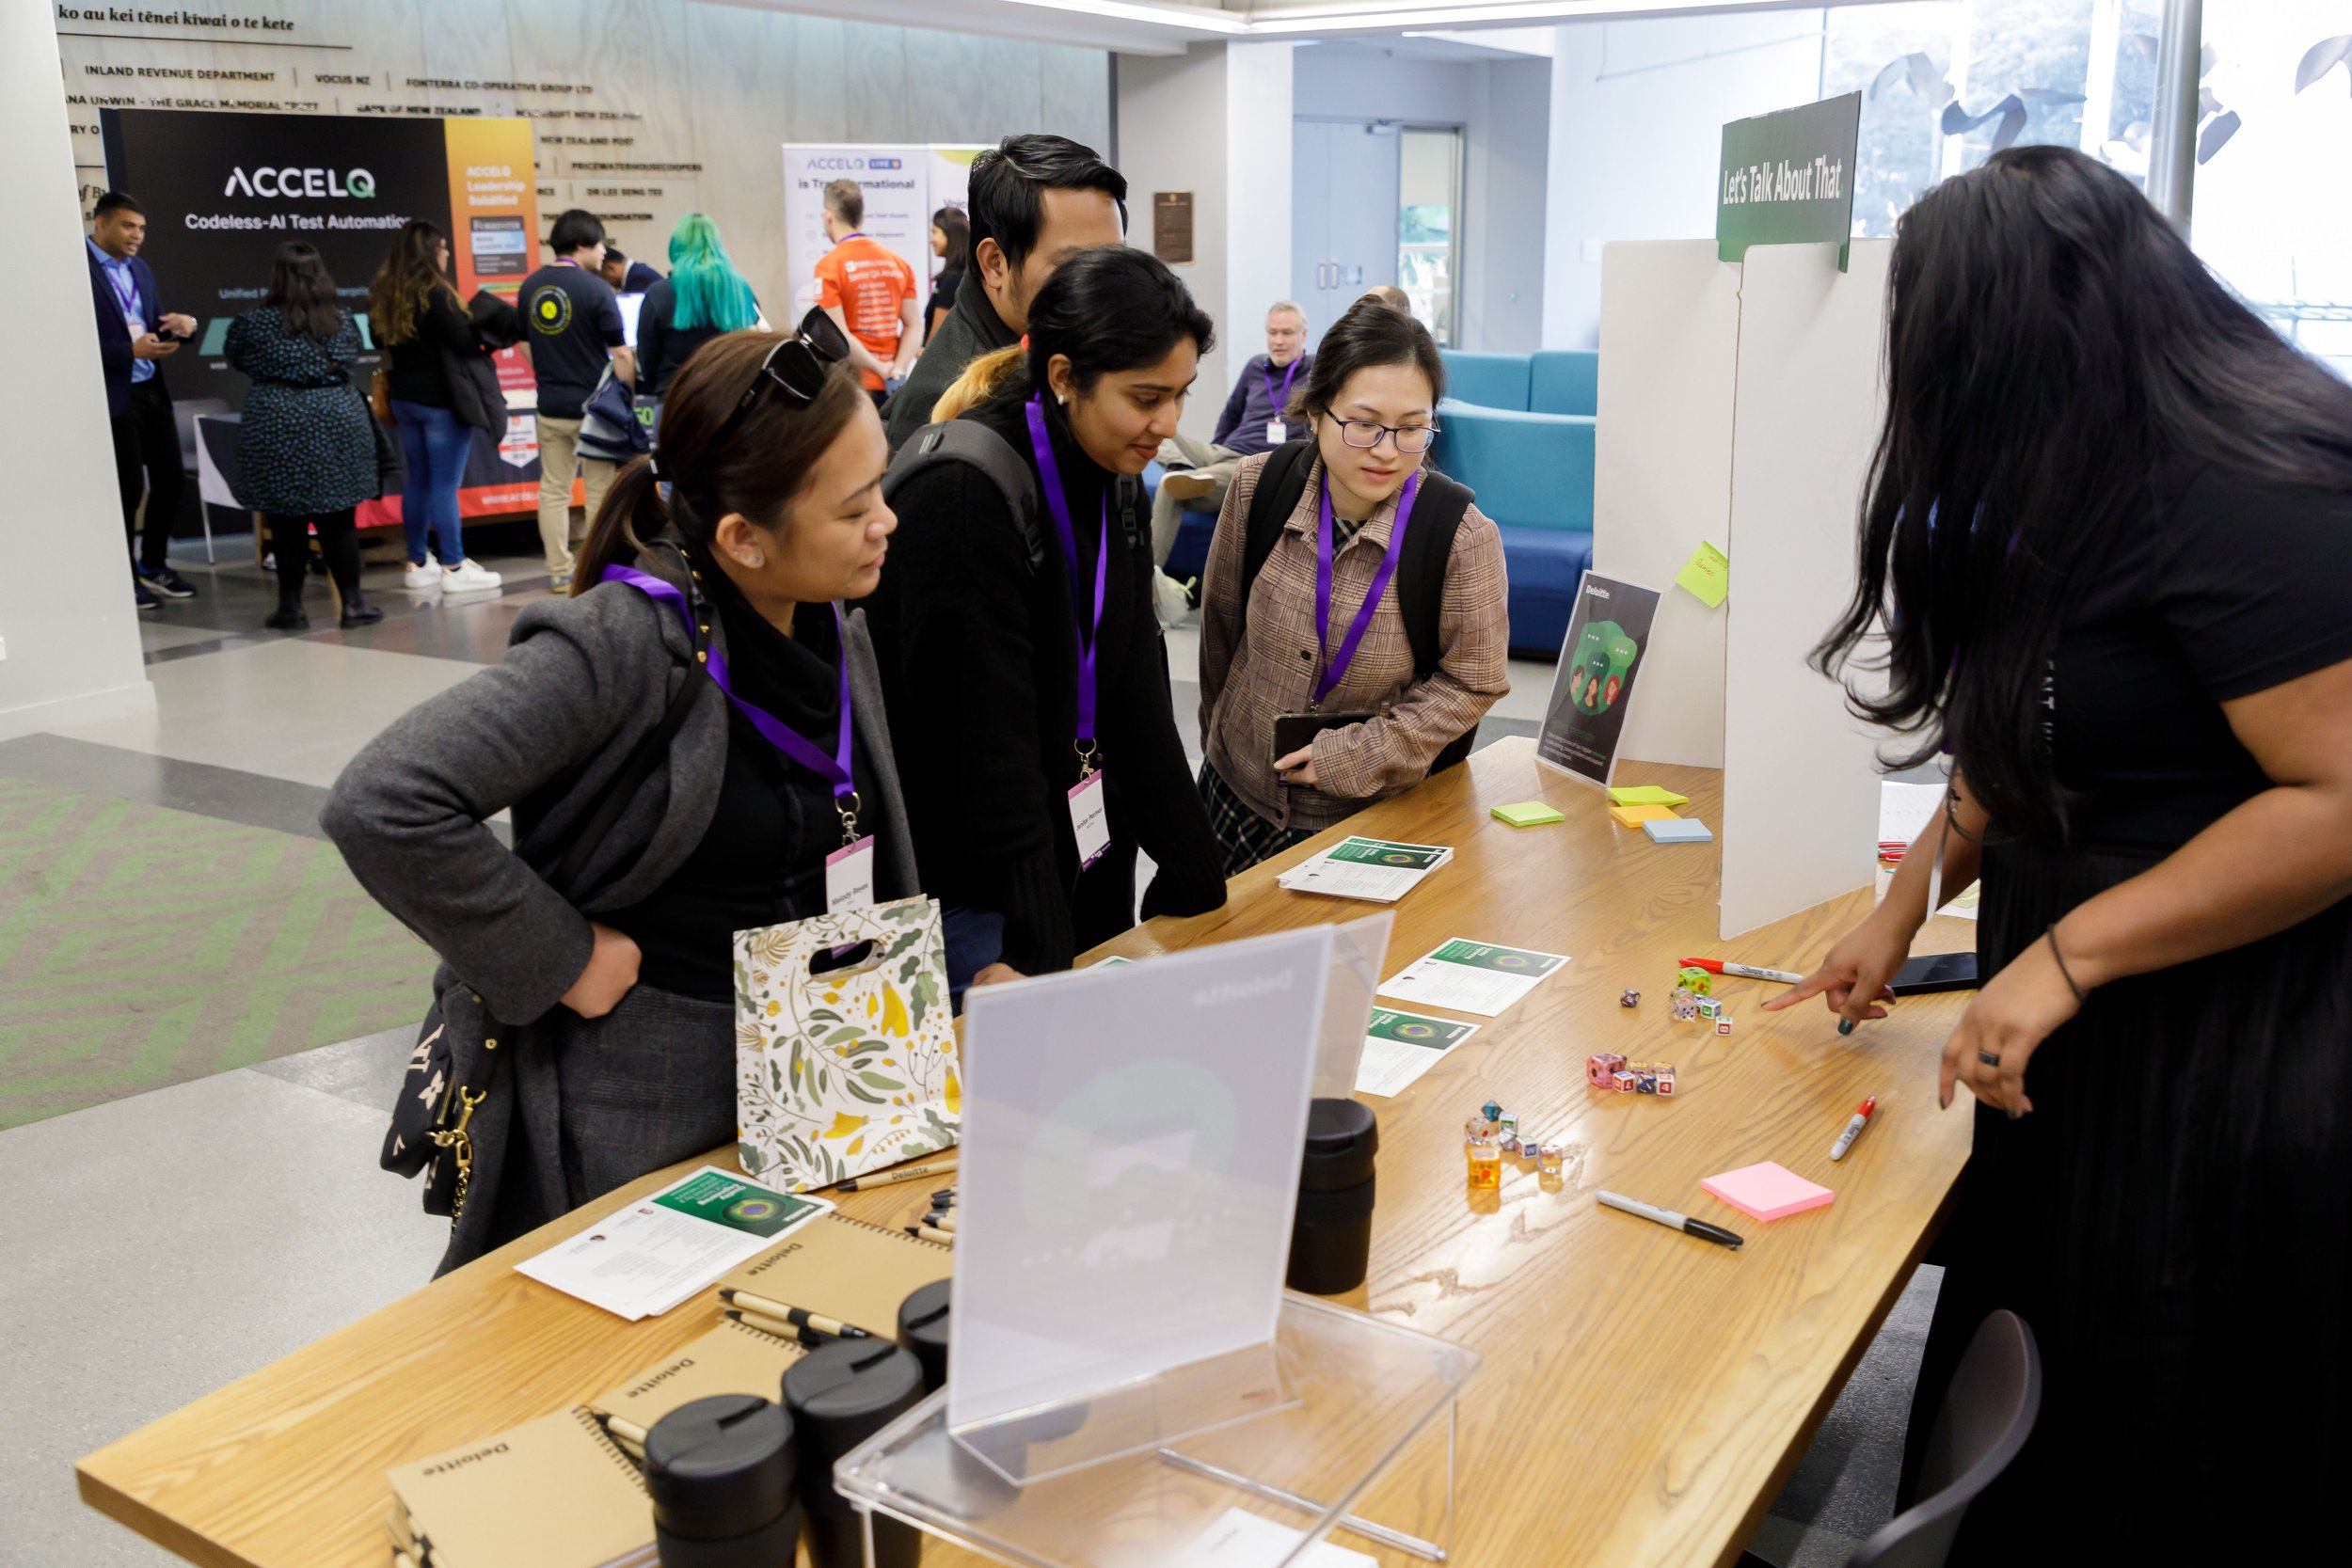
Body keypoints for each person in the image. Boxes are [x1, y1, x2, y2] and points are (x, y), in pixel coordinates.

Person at [1759, 146, 2352, 1564]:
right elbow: (2027, 735)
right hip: (2076, 1022)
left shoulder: (2247, 485)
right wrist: (1905, 904)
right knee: (2043, 1342)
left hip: (2218, 1037)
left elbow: (2336, 798)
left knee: (2160, 1391)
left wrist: (2067, 957)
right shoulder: (2070, 471)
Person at [323, 324, 914, 1275]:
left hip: (826, 1068)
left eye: (879, 487)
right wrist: (562, 956)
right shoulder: (621, 643)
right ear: (742, 538)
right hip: (662, 1099)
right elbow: (382, 801)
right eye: (855, 508)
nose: (886, 520)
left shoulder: (829, 613)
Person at [866, 246, 1227, 993]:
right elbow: (984, 751)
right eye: (1146, 397)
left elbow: (1133, 691)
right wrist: (1040, 942)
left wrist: (1196, 868)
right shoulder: (963, 494)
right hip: (974, 890)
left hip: (1075, 844)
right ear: (1063, 376)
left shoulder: (1111, 469)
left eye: (1180, 395)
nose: (1166, 424)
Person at [1197, 299, 1509, 875]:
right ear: (1316, 412)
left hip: (1366, 820)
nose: (1387, 451)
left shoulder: (1460, 537)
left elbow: (1474, 681)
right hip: (1234, 795)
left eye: (1411, 428)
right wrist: (1219, 739)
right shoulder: (1257, 487)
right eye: (1364, 424)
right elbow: (1221, 626)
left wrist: (1356, 757)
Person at [883, 134, 1126, 452]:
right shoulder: (951, 406)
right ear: (995, 264)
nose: (1105, 286)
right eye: (1074, 265)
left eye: (1115, 261)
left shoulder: (1057, 347)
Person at [225, 242, 383, 631]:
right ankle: (353, 605)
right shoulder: (342, 320)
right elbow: (350, 357)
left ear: (276, 275)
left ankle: (291, 609)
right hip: (336, 417)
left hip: (277, 420)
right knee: (339, 520)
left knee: (285, 521)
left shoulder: (251, 322)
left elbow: (237, 357)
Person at [370, 220, 504, 594]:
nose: (447, 253)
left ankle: (417, 563)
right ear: (429, 252)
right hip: (443, 401)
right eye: (443, 247)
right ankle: (454, 567)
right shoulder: (437, 293)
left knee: (418, 481)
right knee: (446, 485)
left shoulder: (383, 293)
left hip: (403, 399)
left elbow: (378, 339)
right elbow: (465, 342)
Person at [87, 192, 201, 610]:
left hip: (151, 388)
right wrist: (127, 351)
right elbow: (68, 339)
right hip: (111, 393)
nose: (137, 235)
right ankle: (123, 574)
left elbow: (151, 321)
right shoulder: (75, 268)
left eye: (141, 228)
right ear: (101, 223)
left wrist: (183, 326)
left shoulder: (140, 268)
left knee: (171, 479)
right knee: (128, 488)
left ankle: (154, 565)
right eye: (127, 226)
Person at [1152, 300, 1312, 569]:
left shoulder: (1315, 370)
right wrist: (1215, 453)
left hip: (1255, 462)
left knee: (1169, 488)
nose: (1278, 341)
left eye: (1287, 333)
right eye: (1272, 333)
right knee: (1155, 426)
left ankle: (1148, 579)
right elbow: (1230, 415)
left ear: (1303, 335)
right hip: (1223, 451)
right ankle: (1183, 467)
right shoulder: (1255, 366)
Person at [521, 209, 635, 591]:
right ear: (583, 244)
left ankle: (558, 570)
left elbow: (523, 343)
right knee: (599, 491)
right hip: (595, 411)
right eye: (601, 244)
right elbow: (621, 353)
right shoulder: (597, 289)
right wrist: (626, 395)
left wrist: (548, 372)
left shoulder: (530, 286)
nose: (604, 252)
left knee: (554, 489)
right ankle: (595, 569)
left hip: (550, 405)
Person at [813, 180, 919, 410]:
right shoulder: (898, 263)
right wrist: (897, 369)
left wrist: (878, 368)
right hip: (892, 386)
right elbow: (914, 325)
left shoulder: (828, 267)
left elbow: (836, 335)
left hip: (852, 384)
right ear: (861, 217)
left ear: (828, 216)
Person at [635, 213, 763, 401]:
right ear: (717, 246)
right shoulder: (740, 289)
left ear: (676, 247)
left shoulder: (658, 294)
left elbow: (647, 359)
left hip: (675, 400)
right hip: (729, 401)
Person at [925, 206, 968, 342]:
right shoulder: (960, 276)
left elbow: (937, 337)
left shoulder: (953, 280)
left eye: (935, 232)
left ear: (950, 234)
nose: (930, 240)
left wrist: (924, 351)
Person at [597, 246, 662, 294]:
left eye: (604, 278)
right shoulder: (636, 271)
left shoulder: (637, 278)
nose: (607, 283)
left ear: (611, 268)